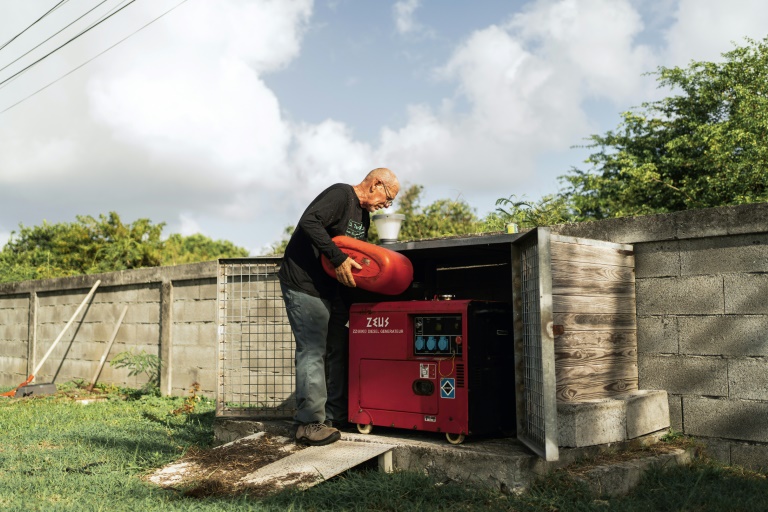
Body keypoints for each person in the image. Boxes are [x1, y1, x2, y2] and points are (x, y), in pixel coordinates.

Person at [278, 167, 400, 446]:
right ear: (376, 184)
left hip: (331, 289)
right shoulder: (340, 195)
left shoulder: (364, 217)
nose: (388, 205)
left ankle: (333, 416)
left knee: (339, 346)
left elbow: (355, 254)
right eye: (389, 197)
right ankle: (308, 424)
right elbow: (310, 221)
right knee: (312, 350)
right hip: (304, 283)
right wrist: (337, 257)